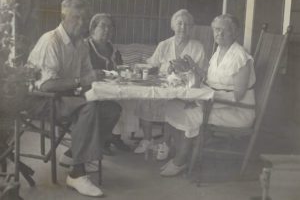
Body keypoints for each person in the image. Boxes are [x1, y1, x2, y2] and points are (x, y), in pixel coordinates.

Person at [26, 0, 121, 197]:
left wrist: (100, 78)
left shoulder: (81, 44)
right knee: (88, 107)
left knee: (112, 109)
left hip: (67, 97)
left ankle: (75, 154)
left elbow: (87, 77)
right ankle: (77, 174)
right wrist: (81, 81)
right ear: (63, 17)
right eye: (76, 18)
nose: (81, 23)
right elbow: (47, 84)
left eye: (84, 19)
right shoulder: (51, 40)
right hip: (42, 99)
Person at [161, 14, 256, 176]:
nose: (218, 34)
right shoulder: (220, 50)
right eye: (216, 30)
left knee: (190, 113)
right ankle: (185, 152)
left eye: (223, 30)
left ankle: (181, 160)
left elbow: (238, 96)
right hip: (216, 104)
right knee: (173, 105)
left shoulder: (240, 57)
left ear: (234, 32)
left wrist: (205, 99)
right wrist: (192, 67)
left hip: (236, 111)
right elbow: (210, 79)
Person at [134, 9, 207, 161]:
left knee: (174, 104)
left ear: (192, 27)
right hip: (163, 84)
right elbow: (152, 63)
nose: (183, 27)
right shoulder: (164, 44)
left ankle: (165, 143)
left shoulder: (197, 46)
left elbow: (202, 73)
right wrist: (140, 67)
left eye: (187, 24)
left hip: (185, 88)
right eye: (179, 23)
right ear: (173, 26)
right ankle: (148, 140)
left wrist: (189, 68)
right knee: (145, 98)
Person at [87, 13, 130, 154]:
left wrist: (124, 71)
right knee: (114, 104)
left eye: (110, 27)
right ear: (93, 28)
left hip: (111, 88)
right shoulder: (85, 46)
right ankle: (103, 139)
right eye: (103, 26)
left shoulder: (112, 48)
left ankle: (115, 137)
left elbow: (120, 67)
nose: (107, 30)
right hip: (91, 89)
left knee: (130, 101)